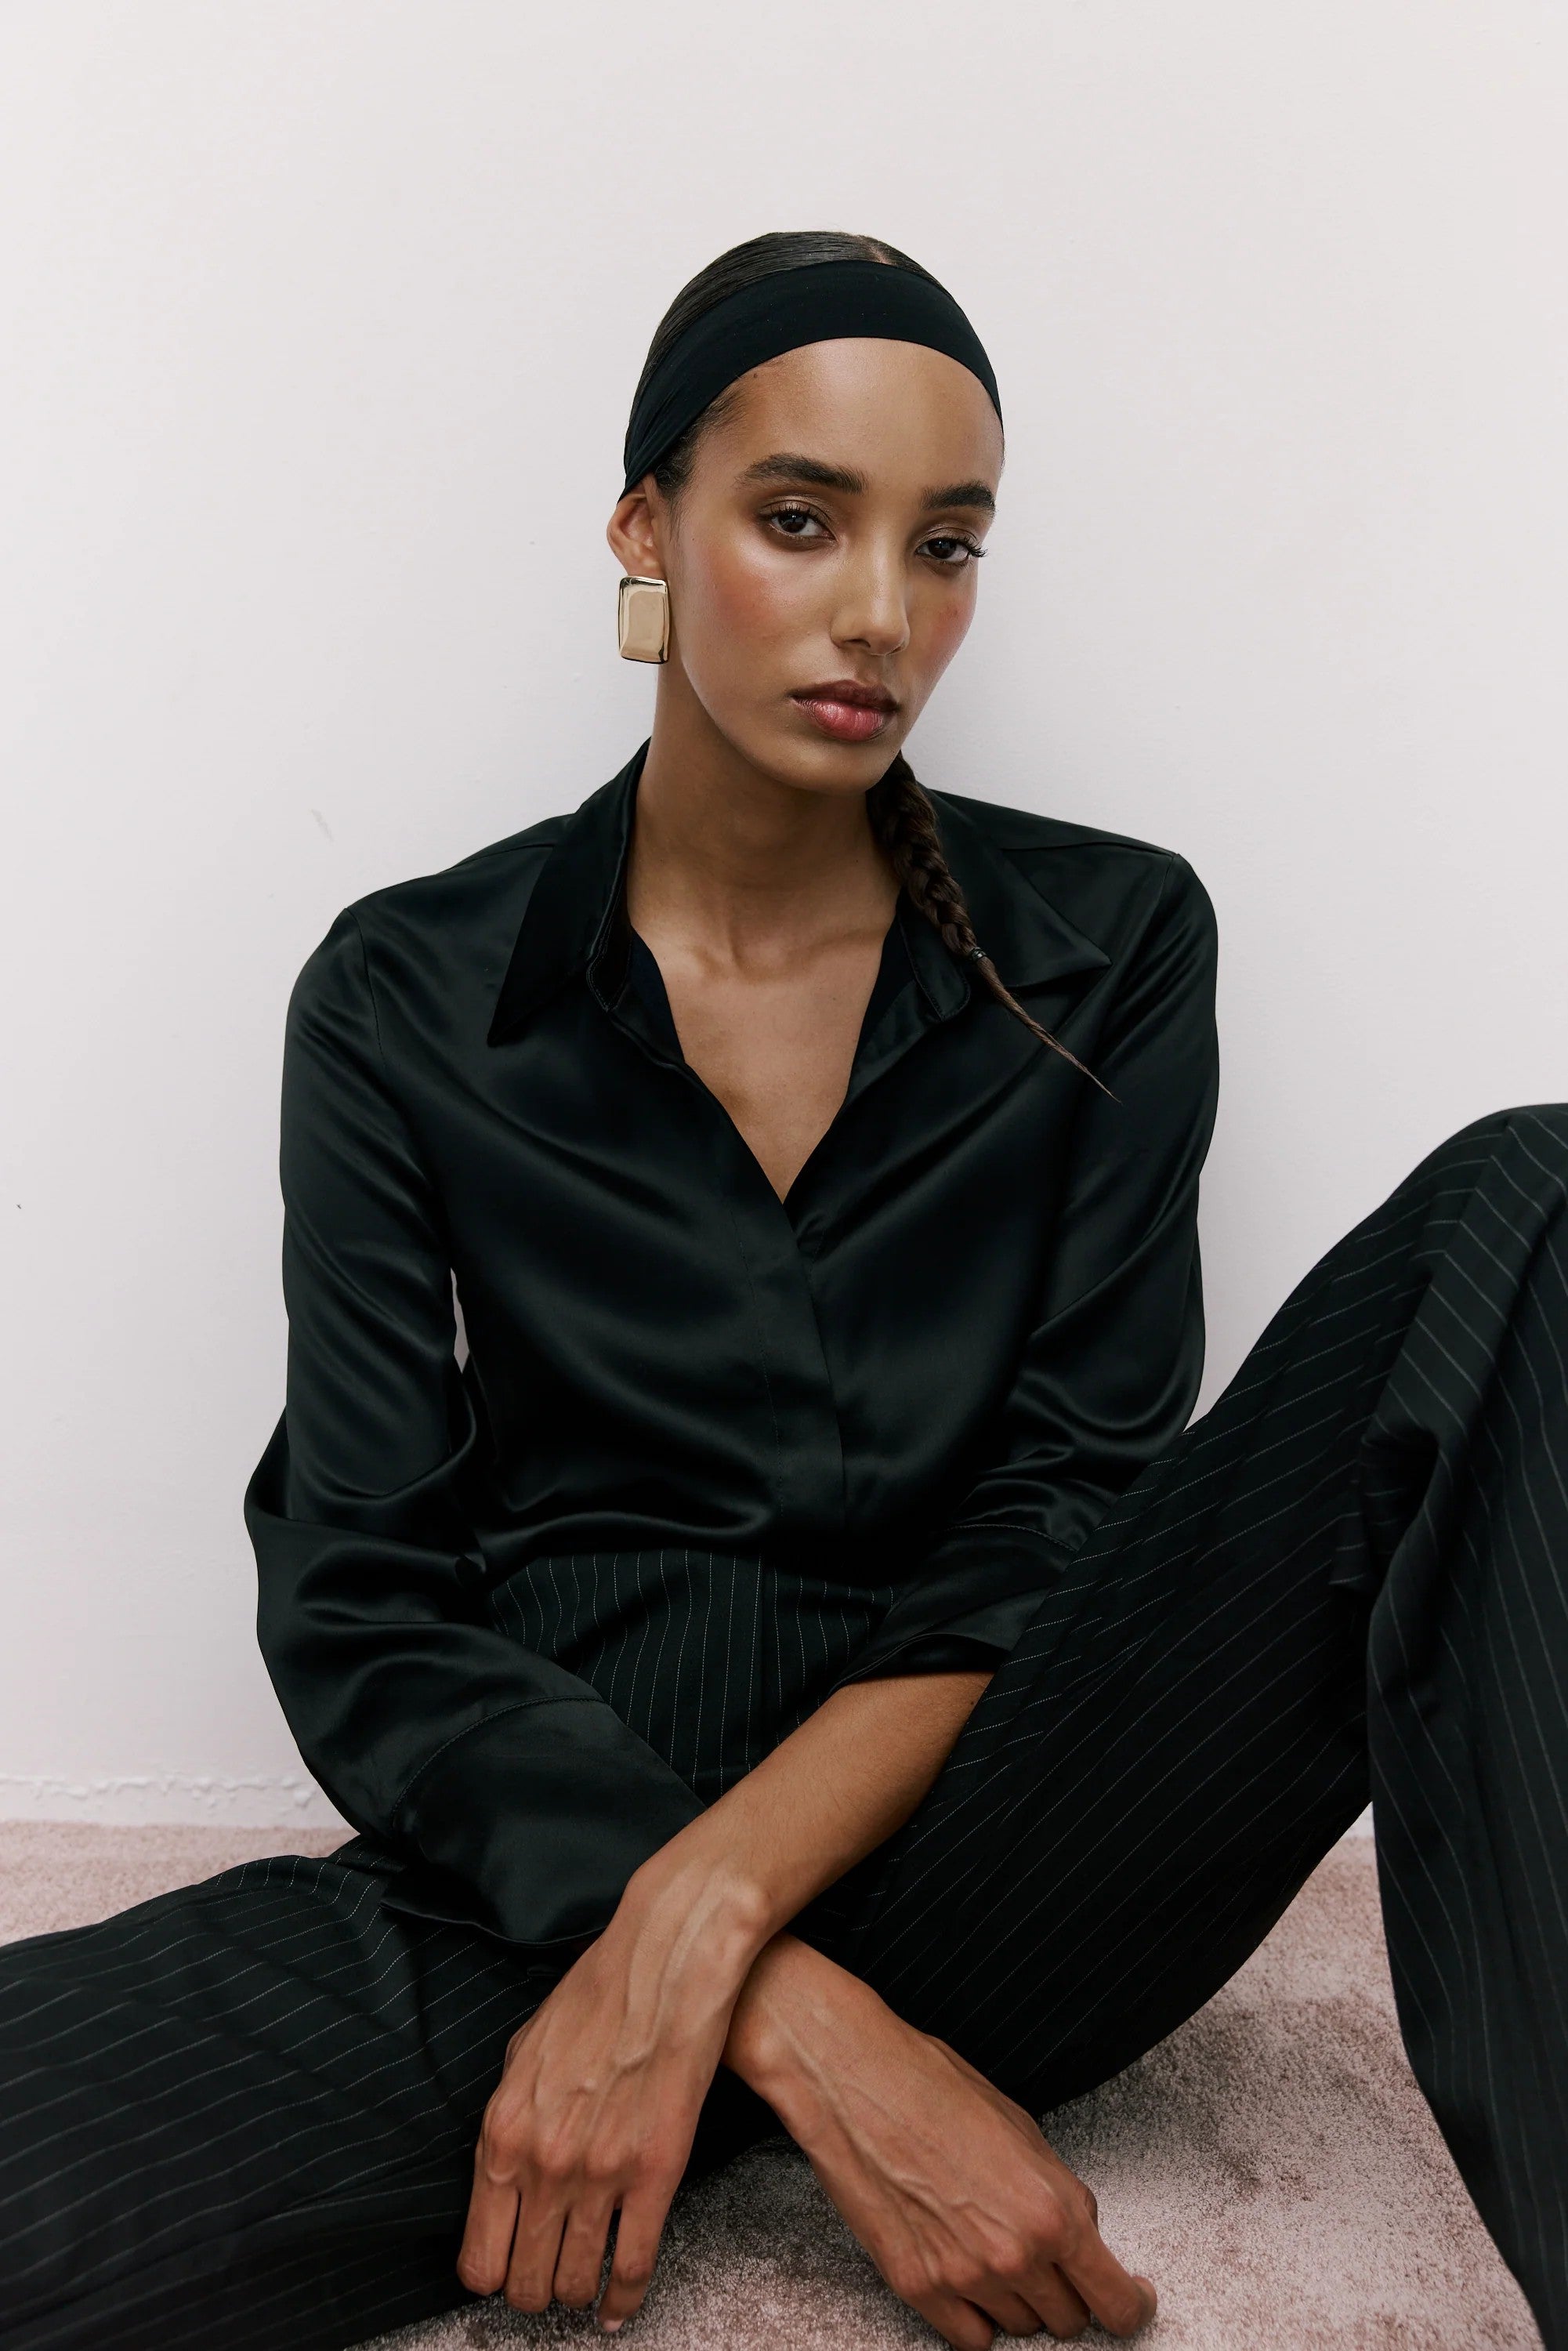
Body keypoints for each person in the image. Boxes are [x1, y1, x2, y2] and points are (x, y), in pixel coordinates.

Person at [0, 228, 1563, 2351]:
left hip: (1008, 1813)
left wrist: (718, 1910)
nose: (881, 612)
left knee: (1530, 1204)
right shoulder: (404, 996)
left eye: (946, 545)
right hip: (558, 1869)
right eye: (802, 519)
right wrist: (769, 2006)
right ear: (645, 528)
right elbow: (363, 1595)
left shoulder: (1114, 945)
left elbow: (1074, 1504)